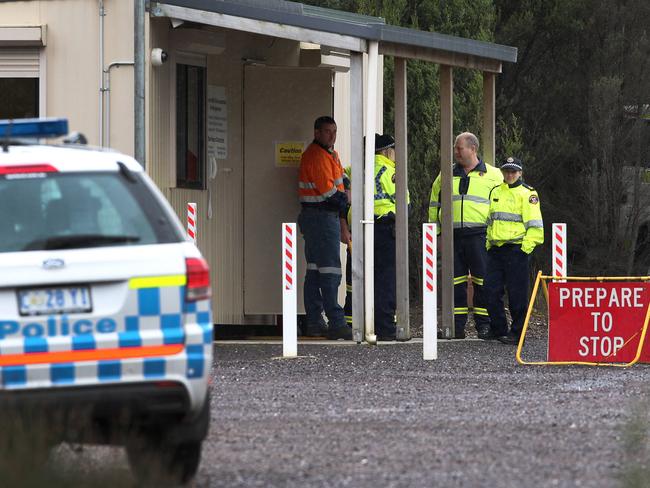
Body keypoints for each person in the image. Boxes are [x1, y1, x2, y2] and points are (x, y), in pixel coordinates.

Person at [428, 132, 503, 339]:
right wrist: (438, 234)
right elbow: (434, 205)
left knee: (482, 282)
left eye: (459, 148)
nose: (456, 152)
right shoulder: (445, 174)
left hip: (481, 235)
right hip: (452, 236)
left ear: (473, 149)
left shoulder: (494, 175)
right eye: (455, 148)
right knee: (454, 283)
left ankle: (485, 326)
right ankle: (454, 327)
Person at [298, 116, 352, 340]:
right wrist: (347, 201)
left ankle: (314, 321)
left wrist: (346, 188)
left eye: (335, 131)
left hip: (316, 218)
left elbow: (342, 178)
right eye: (328, 132)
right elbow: (328, 193)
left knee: (314, 271)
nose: (333, 136)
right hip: (321, 217)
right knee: (330, 270)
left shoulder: (330, 154)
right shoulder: (316, 156)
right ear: (316, 132)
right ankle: (336, 321)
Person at [484, 157, 544, 344]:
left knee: (517, 294)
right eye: (507, 171)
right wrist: (488, 243)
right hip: (496, 249)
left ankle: (518, 333)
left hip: (516, 249)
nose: (510, 174)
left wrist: (524, 249)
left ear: (520, 173)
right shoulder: (495, 191)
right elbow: (490, 220)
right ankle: (498, 328)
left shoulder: (528, 194)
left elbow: (535, 227)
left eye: (513, 171)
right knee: (490, 291)